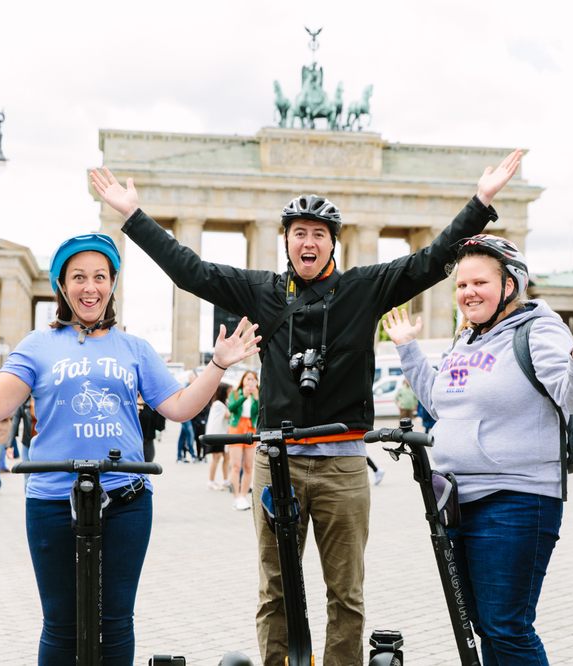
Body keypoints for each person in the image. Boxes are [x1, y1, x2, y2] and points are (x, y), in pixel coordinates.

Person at [90, 149, 523, 666]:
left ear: (332, 242)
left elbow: (428, 262)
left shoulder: (363, 288)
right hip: (278, 463)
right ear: (287, 242)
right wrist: (133, 218)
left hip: (343, 464)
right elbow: (192, 273)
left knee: (346, 595)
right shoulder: (264, 292)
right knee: (275, 592)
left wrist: (481, 202)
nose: (309, 241)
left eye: (319, 233)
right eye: (299, 232)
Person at [0, 231, 260, 666]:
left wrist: (217, 364)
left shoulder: (134, 349)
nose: (90, 288)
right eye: (79, 277)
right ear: (63, 286)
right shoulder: (38, 345)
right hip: (52, 498)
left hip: (125, 497)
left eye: (100, 277)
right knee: (60, 624)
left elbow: (179, 407)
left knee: (116, 621)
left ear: (112, 283)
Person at [382, 234, 573, 664]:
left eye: (480, 283)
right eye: (461, 285)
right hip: (458, 500)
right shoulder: (467, 339)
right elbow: (439, 402)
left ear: (510, 284)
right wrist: (407, 349)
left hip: (516, 498)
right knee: (484, 626)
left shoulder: (538, 328)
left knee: (507, 627)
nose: (468, 292)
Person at [226, 370, 259, 510]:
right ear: (243, 380)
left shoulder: (258, 394)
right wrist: (243, 397)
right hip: (236, 429)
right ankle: (236, 496)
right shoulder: (235, 392)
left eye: (253, 379)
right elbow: (231, 408)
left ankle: (243, 496)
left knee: (248, 466)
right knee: (235, 466)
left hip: (250, 429)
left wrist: (257, 399)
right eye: (248, 379)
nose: (250, 382)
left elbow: (259, 412)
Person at [204, 382, 232, 490]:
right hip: (216, 435)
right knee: (216, 457)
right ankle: (211, 481)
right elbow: (228, 415)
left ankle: (225, 480)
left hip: (224, 435)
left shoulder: (225, 403)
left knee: (226, 457)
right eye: (229, 391)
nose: (230, 393)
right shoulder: (218, 404)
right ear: (224, 392)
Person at [137, 395, 165, 463]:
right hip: (131, 444)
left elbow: (159, 426)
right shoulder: (128, 403)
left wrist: (161, 407)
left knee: (146, 469)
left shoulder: (151, 405)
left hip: (147, 443)